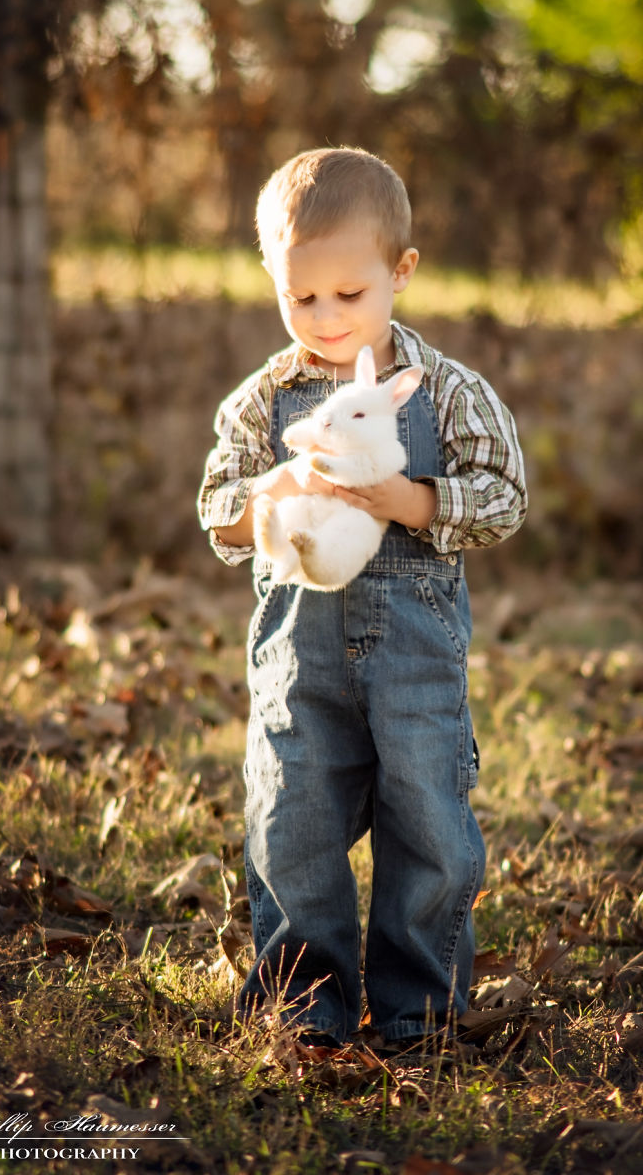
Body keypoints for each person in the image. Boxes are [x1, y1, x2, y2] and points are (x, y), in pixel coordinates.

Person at [199, 147, 527, 1049]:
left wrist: (413, 501)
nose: (327, 317)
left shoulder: (449, 392)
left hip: (414, 659)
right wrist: (259, 501)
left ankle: (419, 1010)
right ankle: (307, 1011)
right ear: (275, 278)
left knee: (426, 819)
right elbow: (215, 504)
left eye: (351, 294)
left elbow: (506, 495)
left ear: (400, 272)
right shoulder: (265, 400)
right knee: (291, 821)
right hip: (299, 660)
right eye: (302, 298)